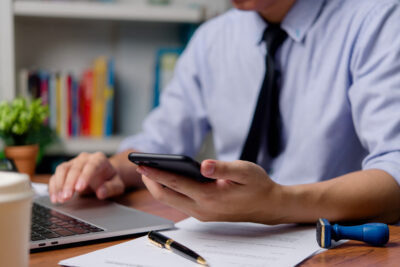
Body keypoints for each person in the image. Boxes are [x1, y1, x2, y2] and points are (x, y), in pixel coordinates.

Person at [49, 0, 400, 225]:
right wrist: (109, 167)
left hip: (339, 243)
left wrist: (277, 203)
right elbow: (157, 142)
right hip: (228, 240)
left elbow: (395, 175)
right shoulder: (211, 39)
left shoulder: (377, 19)